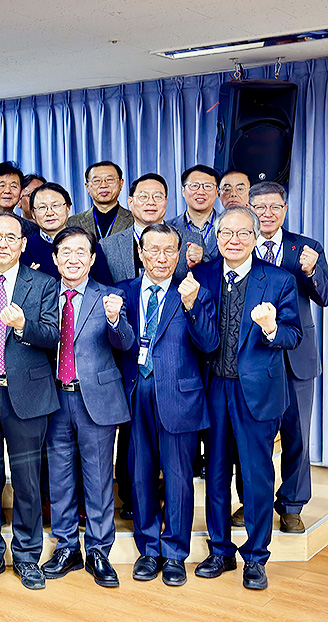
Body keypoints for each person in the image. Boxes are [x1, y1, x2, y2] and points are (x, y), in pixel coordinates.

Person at [193, 207, 302, 591]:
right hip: (213, 389)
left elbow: (294, 336)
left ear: (256, 238)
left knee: (256, 477)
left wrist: (272, 327)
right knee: (217, 474)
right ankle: (220, 550)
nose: (233, 240)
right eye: (226, 232)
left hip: (257, 391)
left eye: (242, 233)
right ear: (217, 237)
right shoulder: (202, 275)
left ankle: (255, 557)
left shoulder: (278, 280)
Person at [114, 224, 218, 587]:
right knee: (140, 476)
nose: (161, 258)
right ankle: (149, 549)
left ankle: (175, 552)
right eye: (153, 250)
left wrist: (191, 307)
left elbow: (208, 344)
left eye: (169, 251)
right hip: (135, 394)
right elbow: (116, 342)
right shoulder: (122, 293)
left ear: (178, 255)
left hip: (180, 396)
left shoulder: (193, 292)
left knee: (178, 479)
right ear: (141, 254)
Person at [0, 213, 59, 590]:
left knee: (27, 481)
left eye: (10, 237)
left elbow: (53, 335)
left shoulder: (44, 284)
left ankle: (27, 555)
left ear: (22, 244)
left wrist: (22, 326)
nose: (2, 243)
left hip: (28, 396)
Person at [40, 227, 135, 588]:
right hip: (53, 398)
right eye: (66, 252)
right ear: (55, 258)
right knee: (60, 478)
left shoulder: (109, 295)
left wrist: (114, 319)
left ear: (93, 259)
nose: (73, 259)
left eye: (81, 252)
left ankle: (98, 549)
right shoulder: (45, 295)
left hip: (95, 400)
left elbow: (125, 342)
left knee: (97, 479)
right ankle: (67, 547)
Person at [243, 181, 328, 533]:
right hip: (254, 356)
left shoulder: (306, 247)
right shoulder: (239, 243)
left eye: (274, 207)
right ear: (249, 208)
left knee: (297, 434)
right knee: (251, 437)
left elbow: (324, 297)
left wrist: (311, 271)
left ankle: (292, 505)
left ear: (285, 209)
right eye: (259, 207)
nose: (267, 214)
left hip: (296, 356)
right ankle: (250, 502)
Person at [166, 165, 221, 260]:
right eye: (194, 186)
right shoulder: (168, 227)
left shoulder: (229, 227)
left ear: (216, 192)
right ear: (183, 191)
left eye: (208, 186)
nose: (201, 192)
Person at [67, 161, 132, 241]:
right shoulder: (73, 223)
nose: (104, 185)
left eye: (110, 179)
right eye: (97, 181)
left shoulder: (134, 220)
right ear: (88, 187)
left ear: (121, 184)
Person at [0, 162, 37, 238]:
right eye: (2, 186)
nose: (7, 191)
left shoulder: (31, 229)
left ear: (21, 193)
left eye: (14, 186)